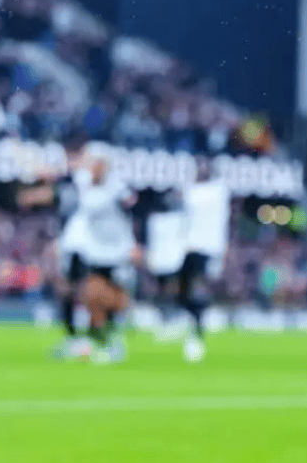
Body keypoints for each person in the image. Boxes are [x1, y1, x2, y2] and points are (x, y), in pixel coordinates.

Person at [16, 138, 91, 359]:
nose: (69, 161)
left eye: (72, 156)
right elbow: (54, 185)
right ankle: (77, 338)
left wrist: (18, 150)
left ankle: (87, 338)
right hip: (72, 240)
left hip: (84, 242)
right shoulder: (72, 180)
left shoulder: (83, 177)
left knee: (77, 287)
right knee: (66, 286)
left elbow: (47, 176)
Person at [75, 152, 138, 364]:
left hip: (118, 253)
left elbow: (132, 204)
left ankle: (112, 338)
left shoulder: (116, 188)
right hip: (96, 253)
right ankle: (102, 339)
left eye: (98, 165)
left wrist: (135, 243)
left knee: (112, 298)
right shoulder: (84, 187)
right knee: (91, 294)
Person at [178, 159, 230, 363]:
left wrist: (222, 251)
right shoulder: (192, 191)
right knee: (183, 290)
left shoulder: (217, 191)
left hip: (208, 248)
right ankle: (193, 321)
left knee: (198, 288)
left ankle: (197, 330)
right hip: (188, 247)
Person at [134, 186, 188, 344]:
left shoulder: (175, 218)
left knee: (172, 289)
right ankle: (165, 318)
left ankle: (173, 318)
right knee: (163, 290)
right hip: (161, 261)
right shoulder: (156, 220)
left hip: (172, 260)